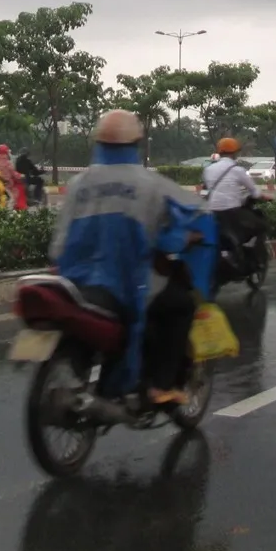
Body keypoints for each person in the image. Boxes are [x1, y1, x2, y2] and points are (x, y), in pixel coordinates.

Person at [51, 109, 214, 406]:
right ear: (135, 144)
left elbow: (59, 242)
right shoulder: (149, 184)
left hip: (77, 281)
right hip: (129, 282)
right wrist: (189, 237)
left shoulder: (78, 184)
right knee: (180, 307)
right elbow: (190, 213)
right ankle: (160, 386)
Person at [202, 137, 272, 251]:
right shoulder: (237, 170)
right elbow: (254, 191)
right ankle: (250, 250)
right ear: (235, 153)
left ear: (219, 151)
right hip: (232, 211)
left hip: (213, 211)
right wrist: (266, 197)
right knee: (261, 225)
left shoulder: (208, 170)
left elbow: (209, 188)